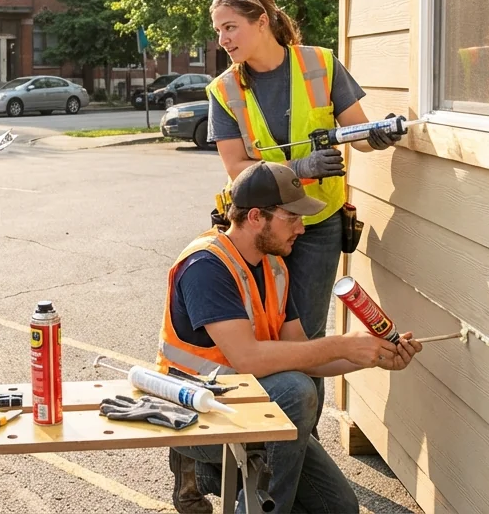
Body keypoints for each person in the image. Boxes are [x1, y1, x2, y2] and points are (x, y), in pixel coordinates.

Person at [162, 161, 422, 513]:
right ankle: (215, 471)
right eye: (292, 218)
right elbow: (248, 359)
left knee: (339, 508)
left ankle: (215, 475)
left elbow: (304, 354)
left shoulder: (274, 267)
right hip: (196, 413)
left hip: (252, 407)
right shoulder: (206, 267)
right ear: (255, 217)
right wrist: (343, 343)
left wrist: (373, 356)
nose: (301, 228)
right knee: (296, 392)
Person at [206, 0, 408, 431]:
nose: (223, 40)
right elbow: (237, 168)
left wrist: (377, 137)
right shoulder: (224, 89)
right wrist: (300, 164)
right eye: (219, 31)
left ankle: (302, 444)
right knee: (265, 337)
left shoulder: (320, 64)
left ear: (263, 22)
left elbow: (357, 130)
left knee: (308, 339)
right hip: (258, 229)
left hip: (315, 225)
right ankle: (267, 440)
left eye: (231, 27)